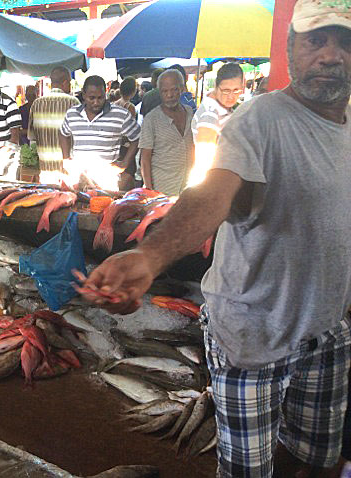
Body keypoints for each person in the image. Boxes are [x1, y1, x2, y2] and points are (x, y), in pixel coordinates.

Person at [84, 1, 351, 476]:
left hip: (327, 329)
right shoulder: (260, 120)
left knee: (314, 459)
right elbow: (214, 192)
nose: (332, 54)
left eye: (345, 41)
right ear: (292, 47)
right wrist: (151, 255)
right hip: (252, 335)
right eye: (317, 39)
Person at [59, 75, 140, 191]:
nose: (96, 102)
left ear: (105, 94)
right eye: (91, 98)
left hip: (107, 181)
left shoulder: (120, 114)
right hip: (79, 180)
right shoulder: (72, 114)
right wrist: (66, 158)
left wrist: (124, 164)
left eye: (100, 98)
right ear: (84, 95)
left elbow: (137, 138)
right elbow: (63, 133)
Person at [139, 69, 194, 196]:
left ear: (182, 88)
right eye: (164, 91)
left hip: (188, 190)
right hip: (162, 191)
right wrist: (149, 191)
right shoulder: (151, 119)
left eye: (174, 89)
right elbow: (145, 159)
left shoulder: (190, 112)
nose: (169, 95)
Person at [28, 66, 80, 184]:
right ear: (65, 82)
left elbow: (32, 139)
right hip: (67, 173)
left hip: (45, 170)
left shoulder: (36, 104)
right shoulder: (73, 102)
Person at [114, 77, 139, 190]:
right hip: (126, 147)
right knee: (127, 176)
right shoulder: (130, 107)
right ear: (133, 91)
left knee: (117, 176)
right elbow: (131, 132)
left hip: (115, 145)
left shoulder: (113, 104)